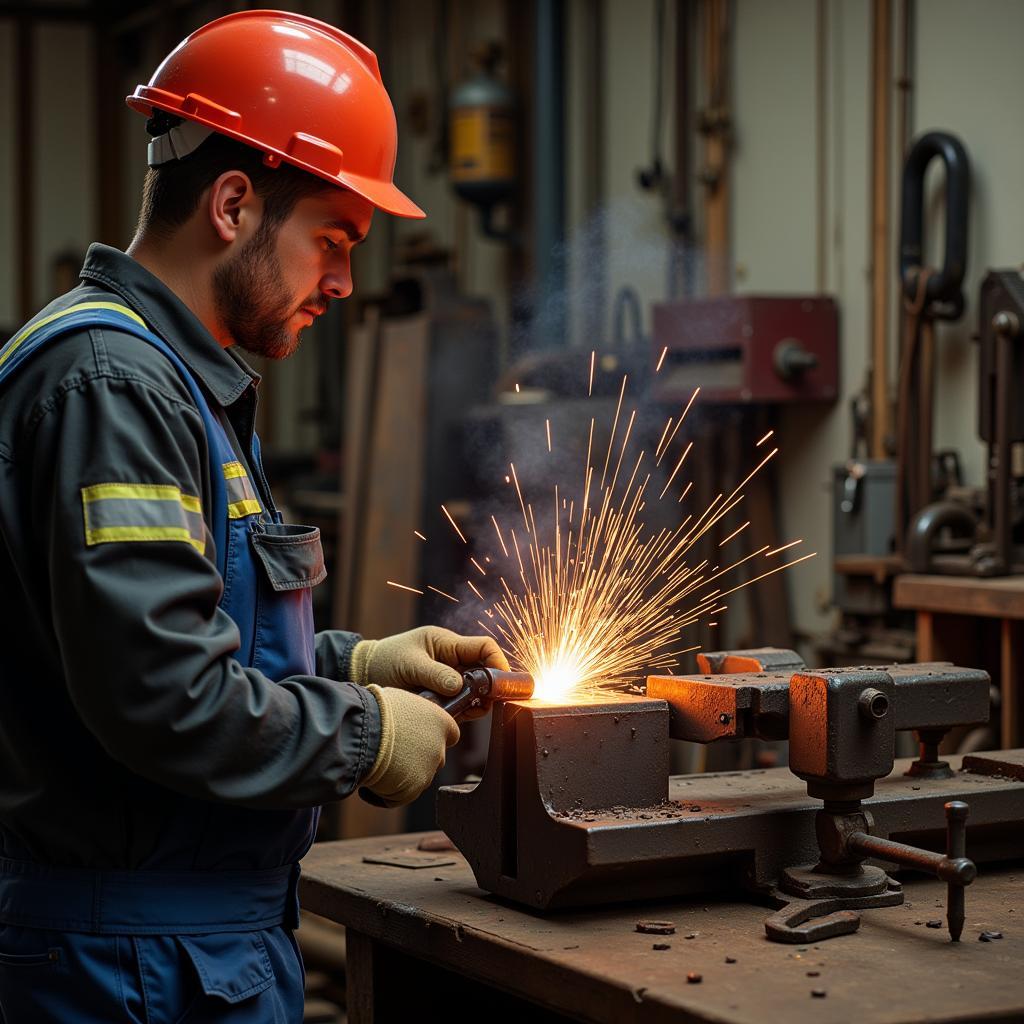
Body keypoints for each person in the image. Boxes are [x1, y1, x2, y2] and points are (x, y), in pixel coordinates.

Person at [0, 11, 507, 1022]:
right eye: (333, 237)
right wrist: (361, 735)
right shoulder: (116, 385)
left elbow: (164, 643)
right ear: (233, 203)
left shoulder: (176, 383)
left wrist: (351, 663)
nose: (344, 281)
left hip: (184, 948)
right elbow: (160, 696)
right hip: (128, 968)